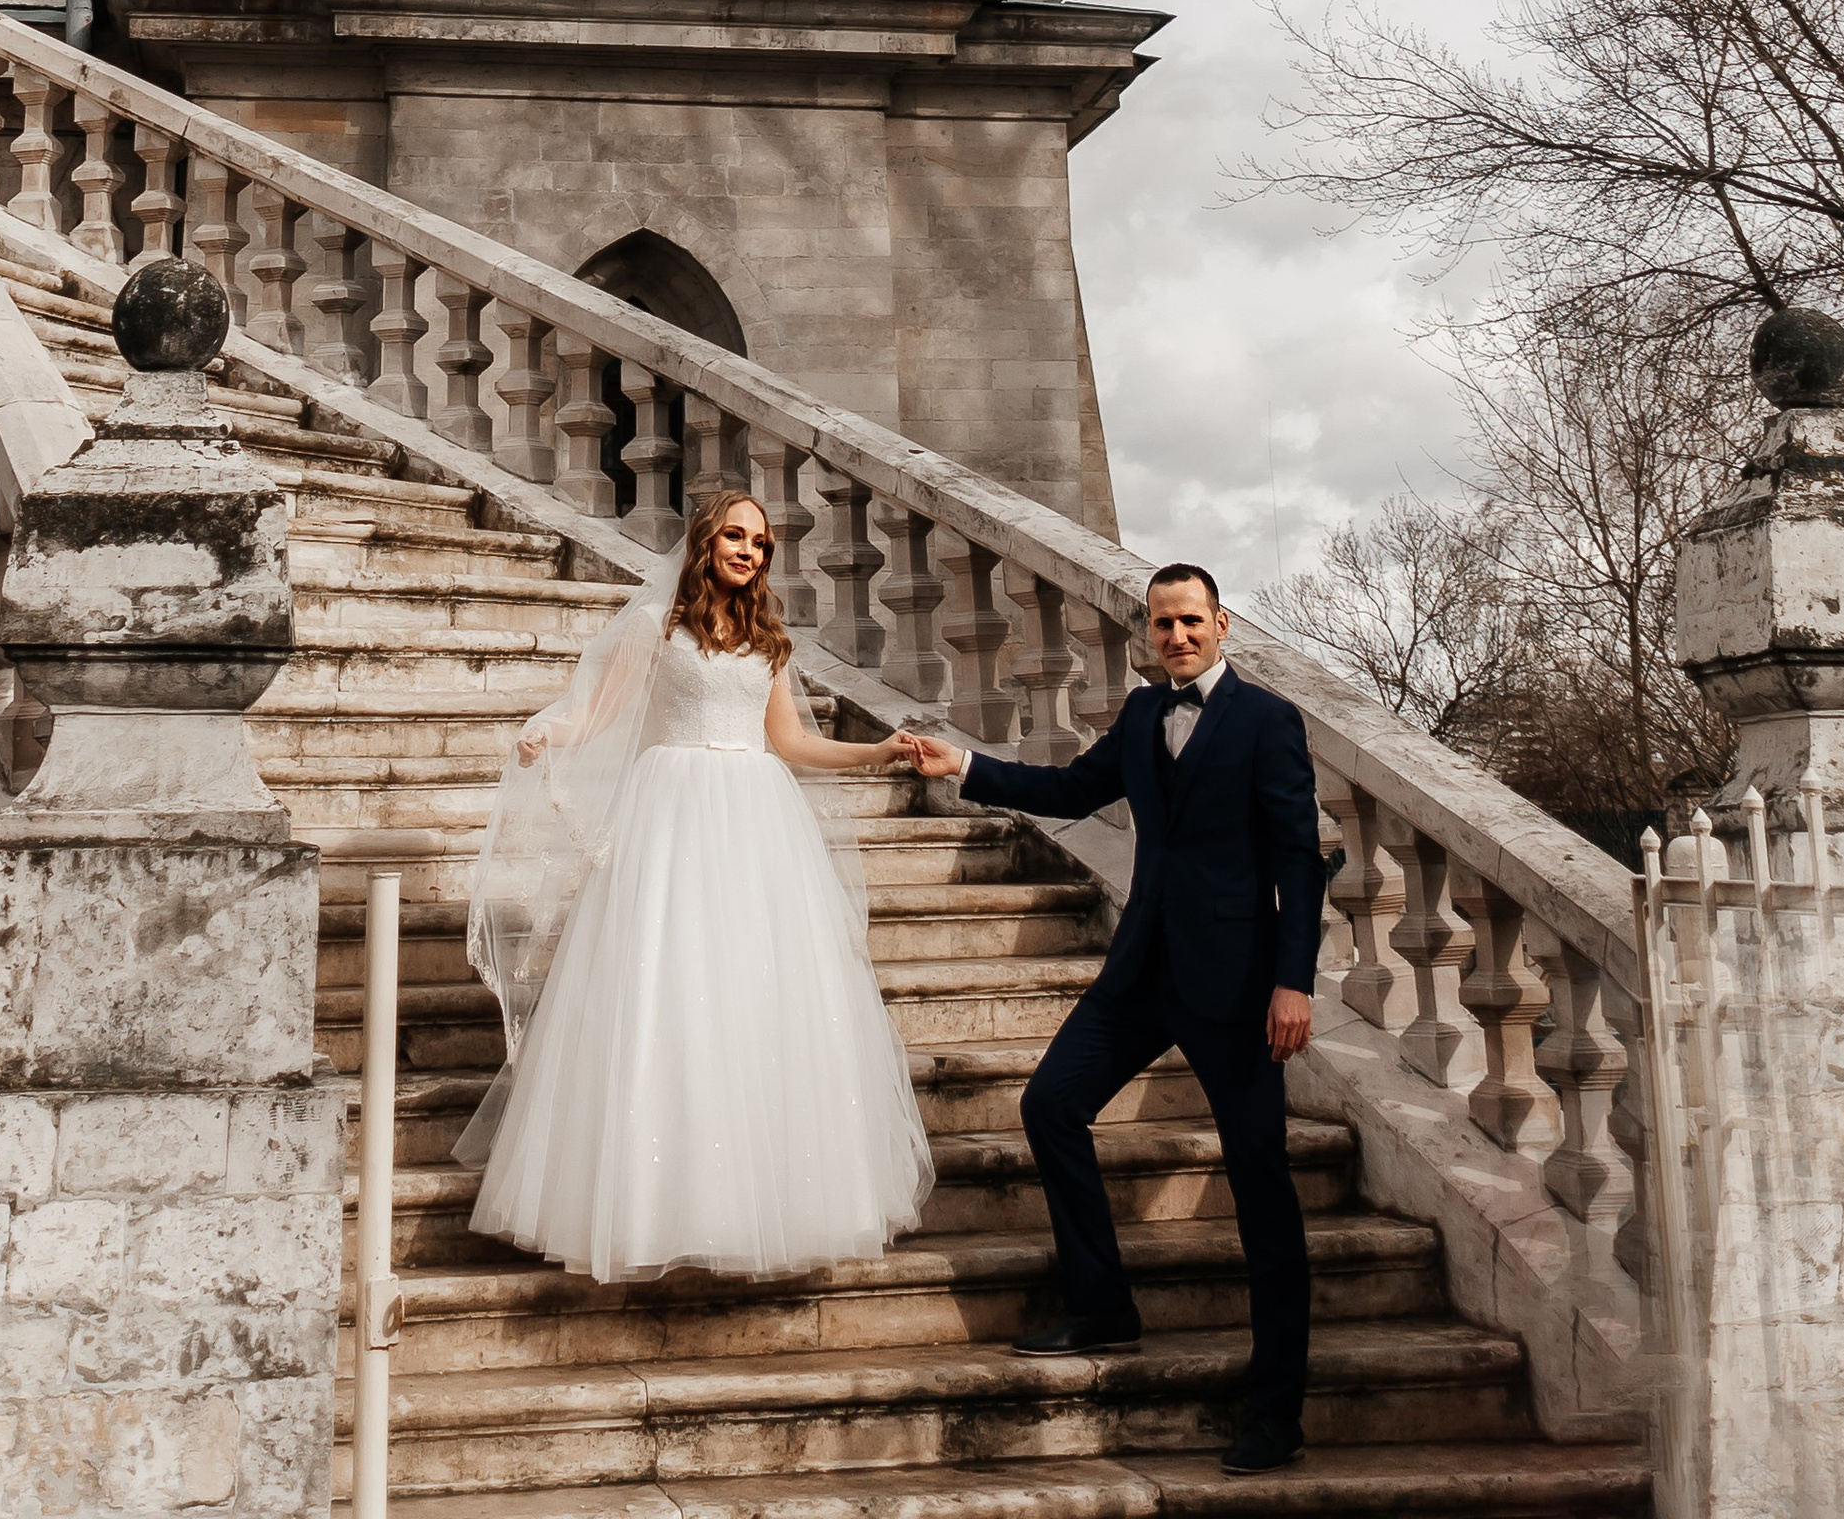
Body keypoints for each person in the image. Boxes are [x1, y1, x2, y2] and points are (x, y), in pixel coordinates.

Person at [907, 561, 1326, 1480]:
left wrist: (1292, 983)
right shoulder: (1141, 715)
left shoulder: (1266, 722)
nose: (1175, 636)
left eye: (1190, 622)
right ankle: (1102, 1303)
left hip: (1239, 987)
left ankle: (1276, 1411)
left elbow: (1300, 857)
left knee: (1261, 1192)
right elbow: (1072, 788)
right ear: (1148, 633)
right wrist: (966, 767)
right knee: (1052, 1103)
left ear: (1222, 624)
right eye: (1161, 624)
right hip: (1142, 970)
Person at [463, 484, 936, 1281]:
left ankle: (763, 1199)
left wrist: (876, 753)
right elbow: (599, 713)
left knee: (758, 996)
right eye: (737, 536)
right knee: (668, 989)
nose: (750, 551)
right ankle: (656, 1205)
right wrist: (552, 727)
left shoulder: (768, 642)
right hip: (674, 813)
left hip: (756, 815)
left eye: (761, 542)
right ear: (707, 540)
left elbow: (787, 743)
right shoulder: (656, 626)